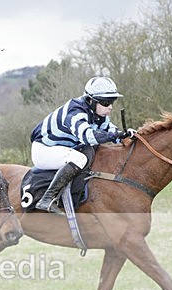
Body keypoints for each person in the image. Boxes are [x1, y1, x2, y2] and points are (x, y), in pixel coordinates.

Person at [30, 76, 132, 213]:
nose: (110, 107)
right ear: (91, 100)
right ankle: (47, 199)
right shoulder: (75, 111)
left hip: (62, 148)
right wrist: (112, 136)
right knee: (81, 158)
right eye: (106, 102)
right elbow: (87, 136)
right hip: (44, 150)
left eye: (112, 101)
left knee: (90, 152)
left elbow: (112, 131)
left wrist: (128, 135)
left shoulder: (97, 114)